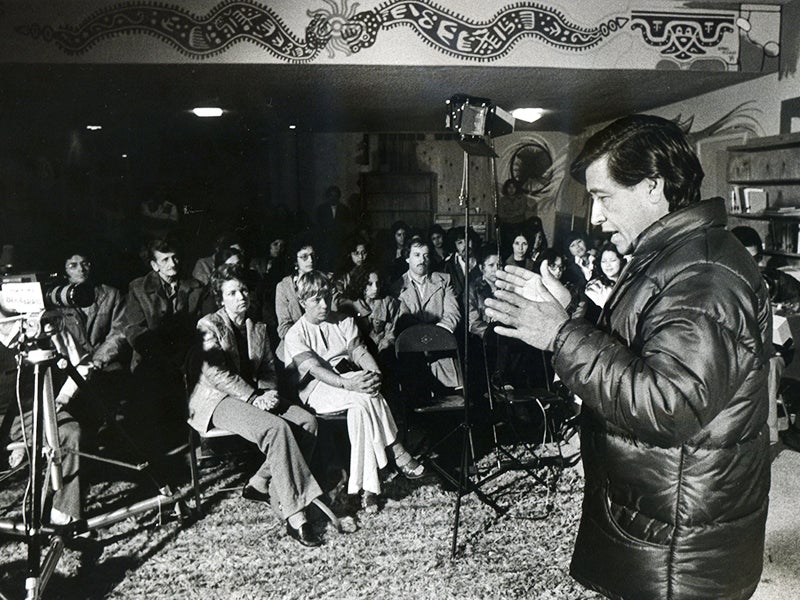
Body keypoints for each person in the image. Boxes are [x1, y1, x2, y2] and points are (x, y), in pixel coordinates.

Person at [485, 114, 770, 599]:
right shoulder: (677, 254)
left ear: (653, 187)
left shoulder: (704, 277)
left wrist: (561, 336)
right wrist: (571, 314)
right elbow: (643, 347)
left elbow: (669, 404)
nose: (595, 216)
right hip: (666, 522)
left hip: (677, 553)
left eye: (603, 197)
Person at [188, 265, 324, 546]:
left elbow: (268, 369)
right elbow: (216, 373)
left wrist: (269, 393)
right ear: (220, 298)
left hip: (255, 396)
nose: (241, 297)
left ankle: (262, 483)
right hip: (217, 401)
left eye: (244, 290)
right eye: (232, 292)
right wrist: (253, 397)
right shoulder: (208, 325)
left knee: (307, 422)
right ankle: (295, 515)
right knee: (276, 429)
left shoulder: (258, 327)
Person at [283, 271, 424, 513]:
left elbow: (358, 351)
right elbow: (314, 369)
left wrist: (374, 373)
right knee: (365, 395)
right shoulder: (295, 334)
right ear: (302, 301)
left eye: (326, 297)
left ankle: (364, 489)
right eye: (316, 299)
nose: (323, 304)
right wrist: (349, 384)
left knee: (361, 407)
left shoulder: (344, 321)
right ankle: (395, 450)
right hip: (316, 389)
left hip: (348, 380)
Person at [123, 238, 205, 458]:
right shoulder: (138, 288)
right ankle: (157, 455)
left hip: (187, 357)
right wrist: (161, 357)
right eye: (165, 259)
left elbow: (205, 325)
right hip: (151, 359)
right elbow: (134, 330)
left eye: (175, 257)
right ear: (154, 265)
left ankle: (198, 446)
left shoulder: (196, 287)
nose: (173, 263)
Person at [391, 237, 461, 390]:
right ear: (407, 258)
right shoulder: (397, 288)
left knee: (451, 400)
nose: (422, 260)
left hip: (441, 349)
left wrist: (435, 338)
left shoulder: (444, 281)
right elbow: (404, 321)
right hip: (413, 353)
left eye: (426, 255)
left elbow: (452, 314)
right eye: (417, 255)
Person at [583, 242, 626, 320]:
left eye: (612, 260)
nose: (608, 265)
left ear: (621, 261)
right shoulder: (594, 288)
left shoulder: (628, 282)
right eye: (604, 261)